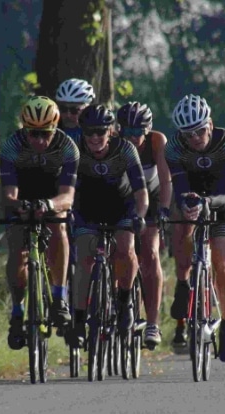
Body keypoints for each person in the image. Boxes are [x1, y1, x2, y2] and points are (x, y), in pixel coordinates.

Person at [165, 94, 225, 362]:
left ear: (210, 123)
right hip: (192, 193)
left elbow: (224, 193)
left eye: (200, 130)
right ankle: (184, 281)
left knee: (222, 261)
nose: (196, 137)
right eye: (189, 134)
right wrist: (188, 203)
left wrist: (207, 202)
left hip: (224, 196)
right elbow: (179, 187)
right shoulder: (174, 148)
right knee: (181, 226)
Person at [0, 95, 79, 350]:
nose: (39, 140)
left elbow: (68, 195)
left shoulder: (68, 147)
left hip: (53, 195)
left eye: (45, 133)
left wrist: (50, 205)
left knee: (58, 226)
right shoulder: (12, 146)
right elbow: (9, 193)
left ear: (54, 128)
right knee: (17, 246)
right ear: (24, 129)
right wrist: (17, 206)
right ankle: (17, 310)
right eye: (33, 134)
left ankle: (58, 297)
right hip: (22, 194)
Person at [68, 104, 148, 348]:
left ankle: (125, 302)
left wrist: (140, 216)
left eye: (100, 132)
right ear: (82, 131)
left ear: (111, 131)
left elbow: (141, 191)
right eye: (89, 132)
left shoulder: (125, 149)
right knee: (84, 257)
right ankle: (79, 320)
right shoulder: (75, 149)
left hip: (121, 207)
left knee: (125, 248)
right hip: (87, 209)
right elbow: (65, 188)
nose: (94, 137)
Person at [116, 101, 170, 348]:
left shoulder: (157, 141)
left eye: (138, 132)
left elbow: (166, 180)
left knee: (149, 251)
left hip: (155, 197)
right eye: (128, 132)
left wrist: (166, 211)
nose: (133, 138)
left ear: (148, 130)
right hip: (126, 199)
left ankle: (152, 323)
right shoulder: (114, 142)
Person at [55, 78, 95, 145]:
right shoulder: (51, 131)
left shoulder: (97, 133)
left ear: (87, 108)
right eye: (63, 109)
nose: (68, 115)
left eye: (74, 110)